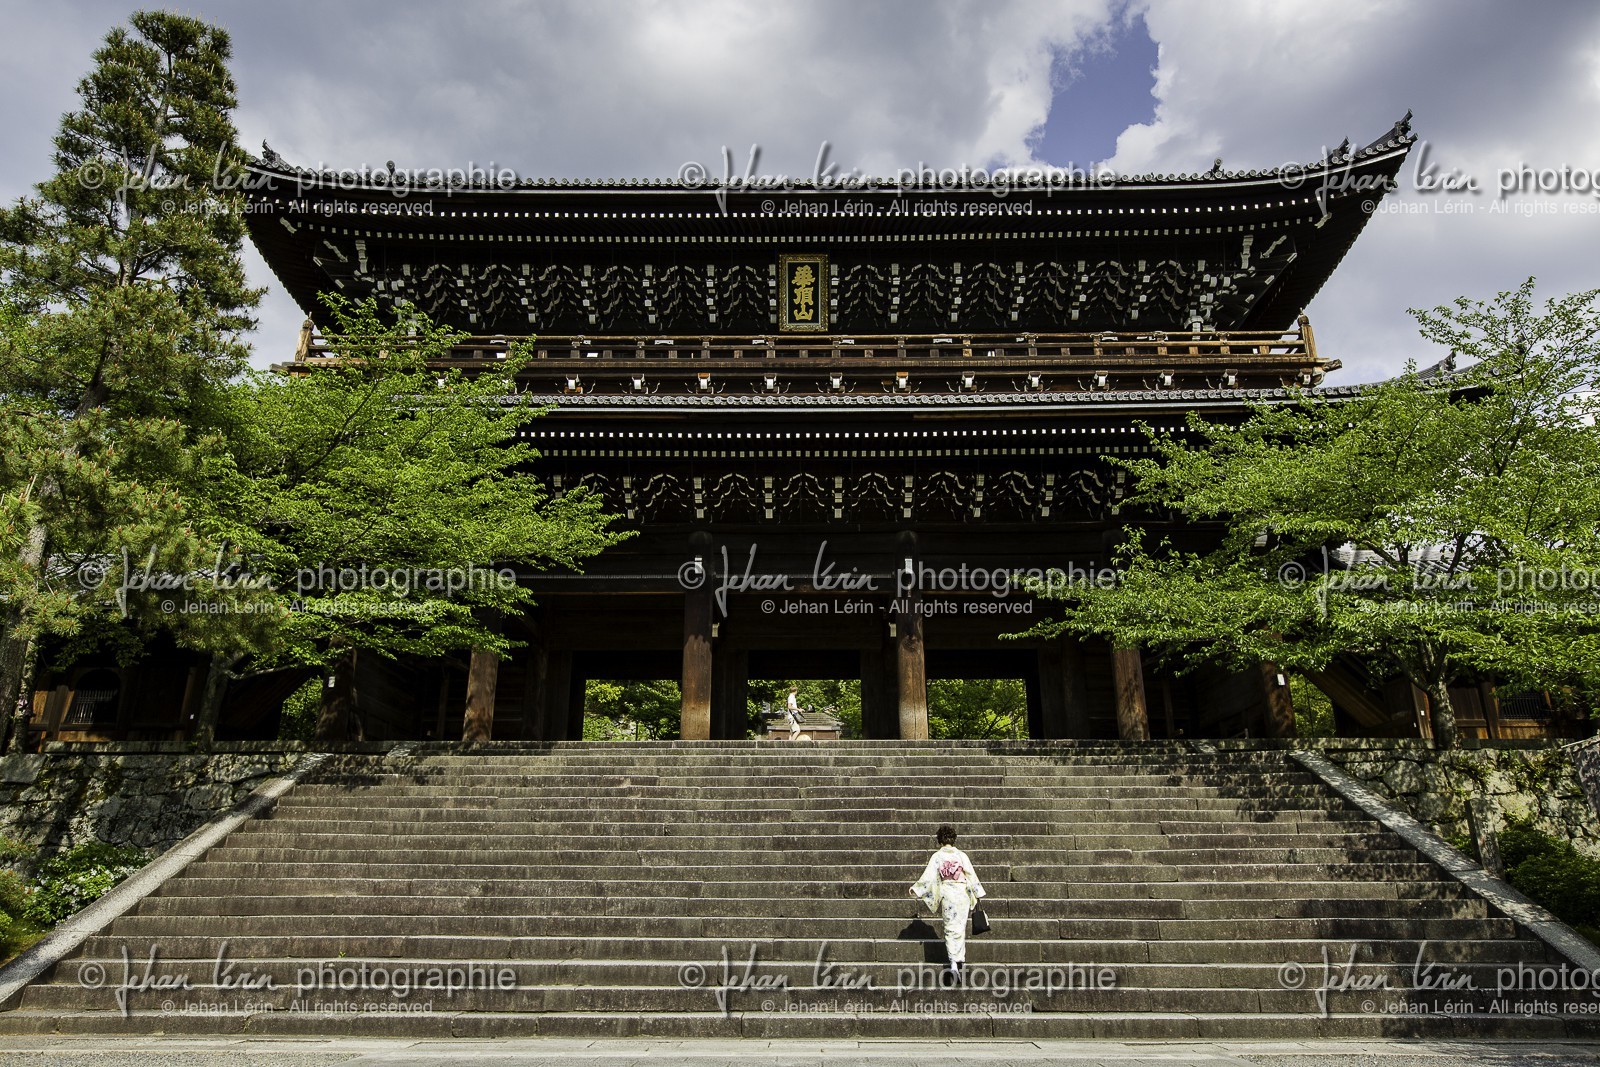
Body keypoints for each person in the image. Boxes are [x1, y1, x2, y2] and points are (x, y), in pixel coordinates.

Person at [909, 825, 985, 983]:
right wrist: (978, 893)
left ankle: (953, 963)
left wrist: (917, 889)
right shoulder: (961, 855)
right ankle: (959, 960)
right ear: (953, 839)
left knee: (950, 929)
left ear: (940, 840)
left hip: (948, 894)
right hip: (962, 894)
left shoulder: (937, 856)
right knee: (960, 928)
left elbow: (928, 876)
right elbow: (971, 875)